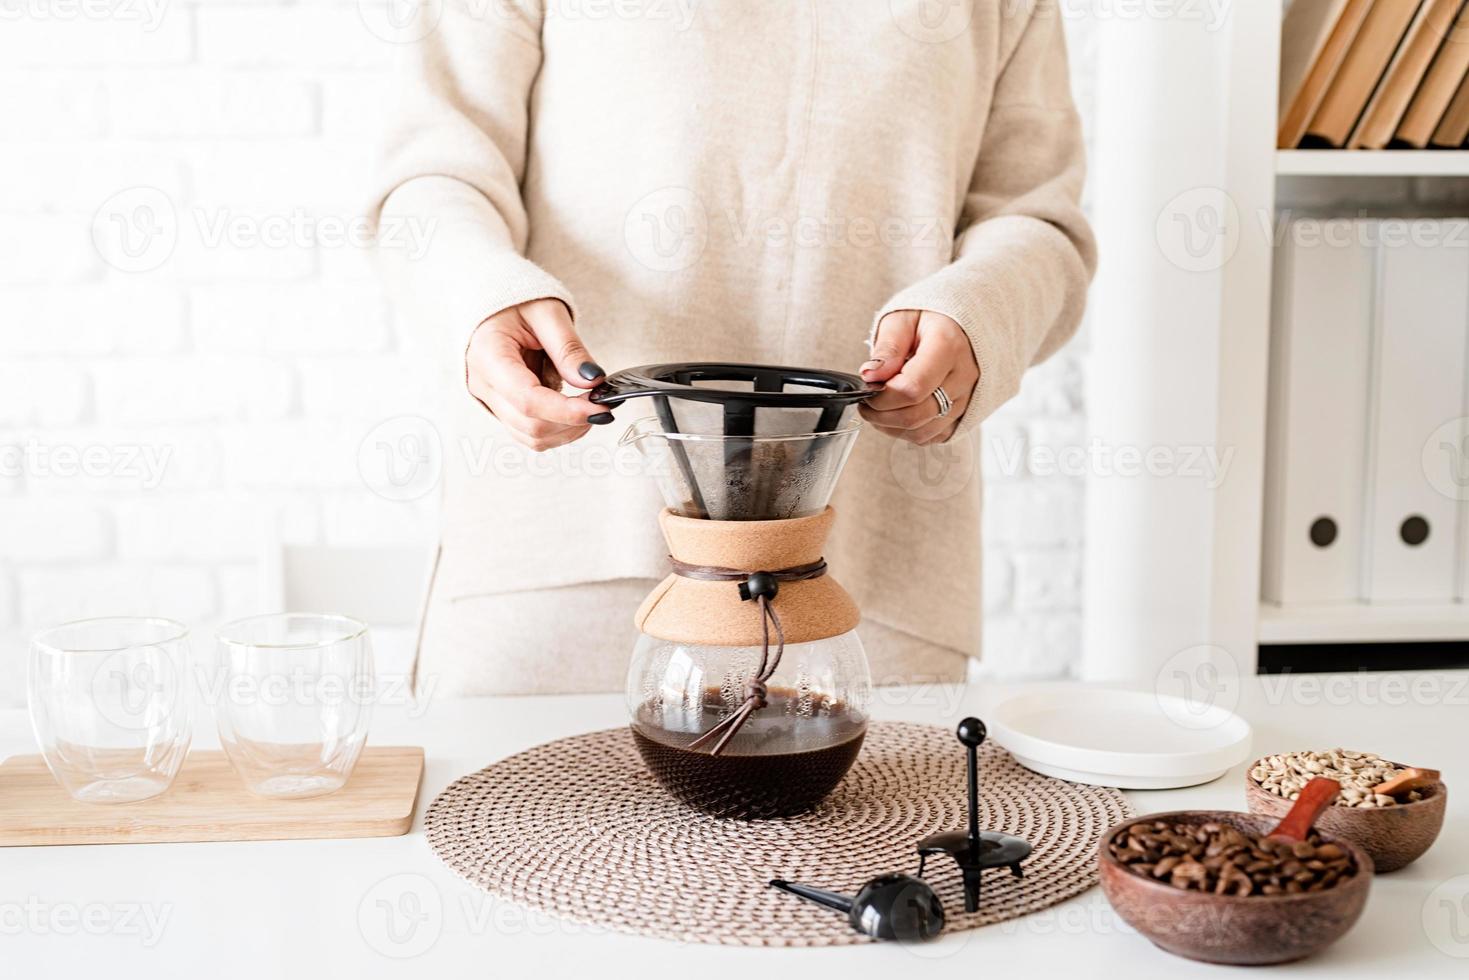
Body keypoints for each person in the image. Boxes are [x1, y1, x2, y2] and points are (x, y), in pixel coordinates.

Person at [373, 0, 1096, 697]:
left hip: (867, 575)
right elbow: (435, 172)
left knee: (873, 823)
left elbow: (1034, 218)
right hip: (562, 555)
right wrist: (480, 297)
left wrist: (978, 313)